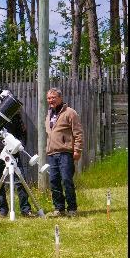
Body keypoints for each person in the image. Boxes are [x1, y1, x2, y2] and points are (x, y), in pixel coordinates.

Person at [0, 97, 35, 218]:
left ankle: (25, 209)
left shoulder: (14, 114)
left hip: (13, 153)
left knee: (21, 182)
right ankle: (3, 210)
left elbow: (22, 132)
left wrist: (19, 145)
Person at [45, 87, 84, 217]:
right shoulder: (49, 114)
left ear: (60, 98)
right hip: (52, 154)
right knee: (54, 181)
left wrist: (77, 150)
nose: (51, 100)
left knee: (67, 180)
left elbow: (78, 133)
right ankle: (59, 209)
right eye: (49, 98)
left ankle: (72, 209)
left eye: (53, 97)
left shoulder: (70, 112)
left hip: (65, 153)